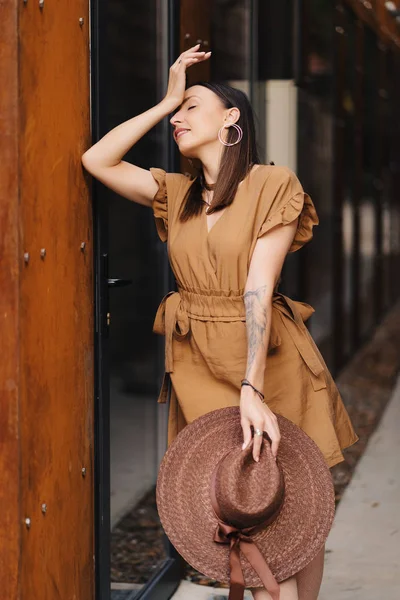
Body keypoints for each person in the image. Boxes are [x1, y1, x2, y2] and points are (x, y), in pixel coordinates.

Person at [82, 43, 358, 600]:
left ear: (231, 118)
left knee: (294, 505)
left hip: (268, 361)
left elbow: (258, 287)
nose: (181, 119)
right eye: (177, 112)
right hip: (198, 363)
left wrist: (252, 385)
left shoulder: (271, 185)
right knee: (238, 502)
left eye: (192, 107)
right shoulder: (176, 195)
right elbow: (98, 160)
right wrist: (164, 102)